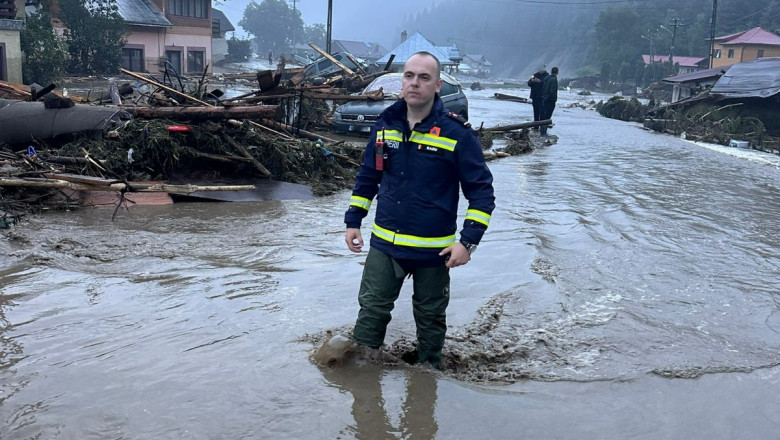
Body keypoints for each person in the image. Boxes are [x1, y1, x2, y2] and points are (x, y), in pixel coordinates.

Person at [344, 51, 496, 369]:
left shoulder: (457, 134)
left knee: (430, 322)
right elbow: (368, 177)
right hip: (386, 245)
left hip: (434, 252)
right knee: (370, 315)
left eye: (424, 77)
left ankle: (427, 383)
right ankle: (362, 382)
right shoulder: (384, 125)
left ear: (437, 85)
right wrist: (353, 220)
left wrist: (467, 243)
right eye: (409, 76)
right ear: (402, 81)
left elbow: (481, 194)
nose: (415, 83)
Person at [540, 66, 559, 136]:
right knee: (547, 117)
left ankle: (542, 131)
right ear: (557, 72)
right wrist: (554, 100)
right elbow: (552, 91)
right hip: (550, 101)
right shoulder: (554, 80)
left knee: (544, 116)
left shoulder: (546, 78)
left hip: (544, 99)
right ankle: (544, 133)